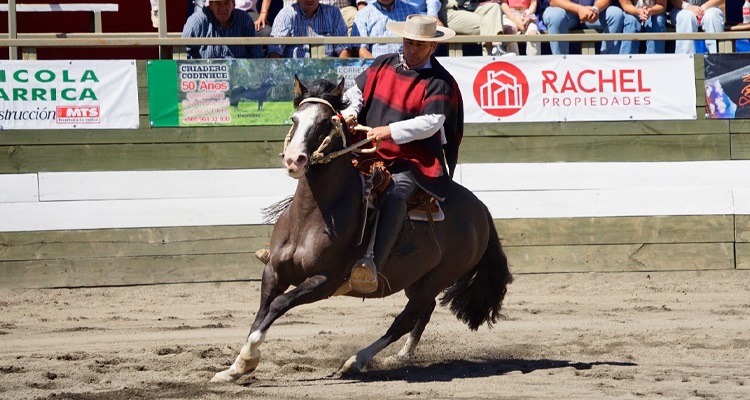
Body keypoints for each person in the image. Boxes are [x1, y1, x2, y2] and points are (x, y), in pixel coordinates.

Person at [340, 14, 464, 294]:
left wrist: (388, 131)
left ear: (433, 47)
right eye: (408, 43)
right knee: (328, 172)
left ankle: (372, 263)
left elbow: (431, 122)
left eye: (419, 45)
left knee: (394, 195)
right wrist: (350, 112)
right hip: (369, 150)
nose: (411, 49)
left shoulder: (439, 80)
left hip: (414, 159)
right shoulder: (383, 63)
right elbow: (356, 91)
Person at [268, 0, 353, 58]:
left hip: (326, 75)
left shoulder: (333, 13)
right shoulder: (286, 14)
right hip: (294, 75)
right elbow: (274, 50)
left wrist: (338, 75)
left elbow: (344, 48)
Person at [182, 0, 264, 59]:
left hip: (239, 80)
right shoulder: (196, 22)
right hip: (206, 80)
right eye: (218, 3)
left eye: (226, 2)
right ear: (210, 5)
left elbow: (256, 55)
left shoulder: (245, 20)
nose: (223, 8)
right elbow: (182, 52)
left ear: (233, 4)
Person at [542, 0, 625, 54]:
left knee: (615, 13)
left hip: (591, 12)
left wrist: (595, 9)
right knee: (556, 15)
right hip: (564, 12)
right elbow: (554, 1)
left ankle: (607, 65)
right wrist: (579, 9)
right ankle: (561, 65)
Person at [442, 0, 517, 56]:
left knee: (494, 7)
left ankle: (496, 47)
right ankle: (491, 53)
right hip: (449, 11)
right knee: (489, 23)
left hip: (468, 7)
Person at [351, 0, 419, 58]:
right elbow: (361, 49)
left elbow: (420, 43)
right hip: (377, 68)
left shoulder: (411, 11)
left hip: (408, 67)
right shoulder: (362, 15)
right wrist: (377, 68)